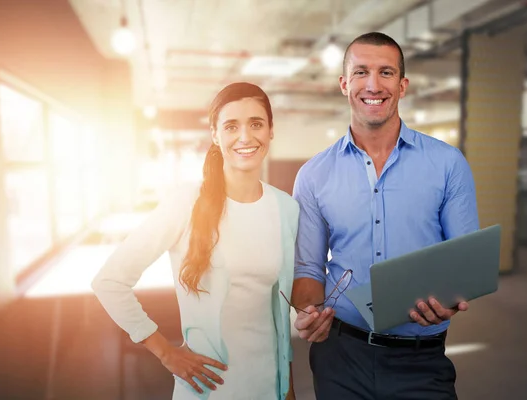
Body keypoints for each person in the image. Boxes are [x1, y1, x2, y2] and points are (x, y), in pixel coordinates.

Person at [290, 32, 479, 399]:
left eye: (386, 72)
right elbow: (309, 268)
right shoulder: (313, 175)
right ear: (344, 84)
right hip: (340, 357)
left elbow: (465, 262)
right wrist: (308, 312)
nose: (373, 85)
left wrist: (449, 303)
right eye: (361, 72)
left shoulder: (447, 164)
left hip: (421, 361)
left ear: (403, 85)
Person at [92, 82, 299, 400]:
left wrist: (288, 387)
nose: (245, 137)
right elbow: (109, 281)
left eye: (256, 123)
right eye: (231, 126)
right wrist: (164, 352)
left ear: (271, 131)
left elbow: (279, 314)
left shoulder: (286, 207)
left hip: (270, 387)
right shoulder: (185, 202)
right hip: (208, 389)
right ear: (216, 135)